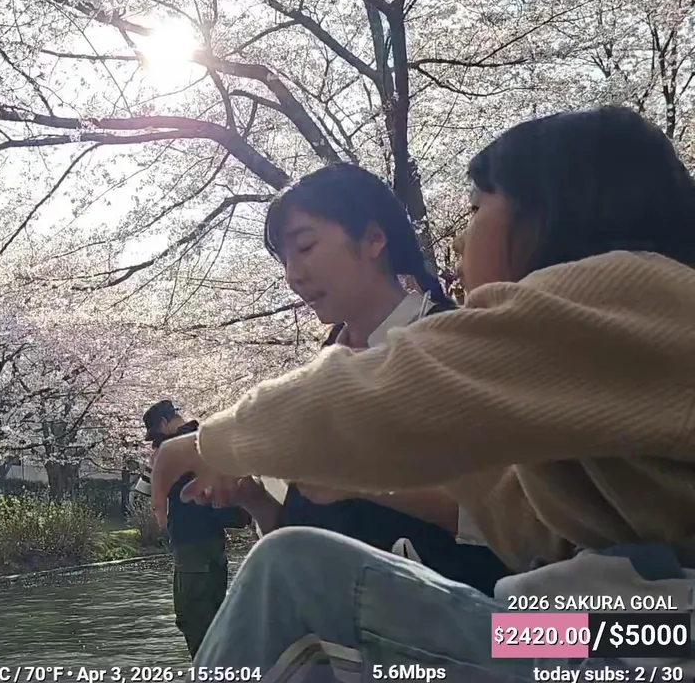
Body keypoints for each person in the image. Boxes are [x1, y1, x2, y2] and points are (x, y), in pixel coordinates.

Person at [152, 106, 695, 677]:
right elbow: (529, 525)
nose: (459, 238)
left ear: (549, 211)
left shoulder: (620, 292)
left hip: (638, 633)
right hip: (598, 625)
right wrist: (322, 479)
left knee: (291, 571)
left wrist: (212, 441)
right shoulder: (611, 333)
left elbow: (391, 392)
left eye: (476, 209)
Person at [248, 162, 509, 595]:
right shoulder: (318, 377)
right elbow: (308, 543)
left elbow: (525, 518)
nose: (293, 275)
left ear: (373, 239)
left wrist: (363, 482)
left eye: (305, 246)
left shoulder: (457, 347)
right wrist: (254, 500)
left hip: (495, 624)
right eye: (284, 258)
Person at [140, 400, 279, 659]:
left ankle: (209, 671)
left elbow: (151, 497)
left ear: (163, 424)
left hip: (190, 546)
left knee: (193, 619)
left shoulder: (168, 451)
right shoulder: (210, 443)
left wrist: (165, 523)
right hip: (215, 543)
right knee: (216, 617)